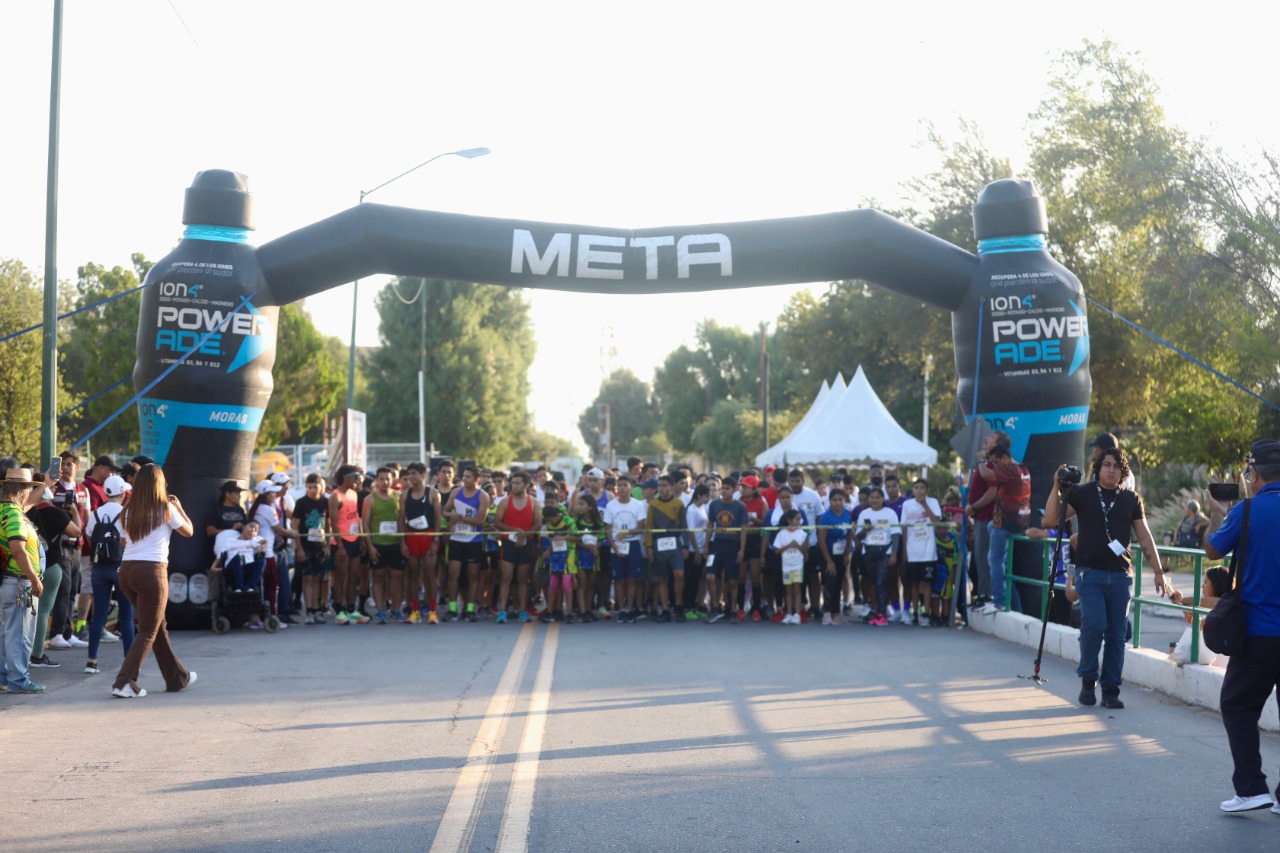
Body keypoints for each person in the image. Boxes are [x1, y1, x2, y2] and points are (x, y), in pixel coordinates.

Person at [1043, 446, 1165, 710]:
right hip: (1090, 574)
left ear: (1123, 472)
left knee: (1116, 633)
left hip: (1121, 576)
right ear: (1098, 468)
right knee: (1094, 625)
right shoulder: (1083, 493)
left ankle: (1111, 690)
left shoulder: (1131, 499)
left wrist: (1158, 571)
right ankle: (1088, 679)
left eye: (1116, 466)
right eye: (1106, 465)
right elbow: (1051, 520)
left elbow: (1144, 536)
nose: (1111, 470)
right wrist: (1057, 487)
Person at [1203, 439, 1280, 814]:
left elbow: (1213, 550)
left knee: (1237, 704)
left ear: (1253, 473)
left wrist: (1220, 513)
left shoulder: (1246, 511)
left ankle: (1252, 788)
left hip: (1259, 632)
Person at [111, 463, 196, 698]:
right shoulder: (166, 508)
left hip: (127, 571)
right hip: (153, 571)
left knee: (157, 626)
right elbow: (189, 531)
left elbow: (125, 543)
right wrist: (180, 507)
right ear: (160, 484)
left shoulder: (126, 511)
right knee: (148, 630)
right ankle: (123, 682)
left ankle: (177, 678)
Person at [27, 473, 81, 666]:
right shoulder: (55, 512)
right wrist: (73, 511)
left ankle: (22, 652)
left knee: (25, 612)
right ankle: (37, 654)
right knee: (43, 611)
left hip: (26, 565)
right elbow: (76, 532)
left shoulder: (24, 511)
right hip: (51, 563)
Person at [1, 468, 47, 693]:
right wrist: (34, 579)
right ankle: (19, 681)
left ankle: (2, 678)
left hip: (5, 582)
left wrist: (45, 483)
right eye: (28, 489)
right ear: (22, 491)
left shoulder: (5, 510)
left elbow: (30, 502)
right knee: (20, 636)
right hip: (18, 581)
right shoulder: (15, 516)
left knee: (4, 634)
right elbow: (18, 550)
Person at [83, 475, 133, 673]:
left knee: (98, 616)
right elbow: (129, 541)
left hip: (99, 568)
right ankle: (129, 663)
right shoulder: (126, 513)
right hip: (121, 567)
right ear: (123, 493)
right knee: (126, 615)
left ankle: (91, 661)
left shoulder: (95, 514)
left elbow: (89, 537)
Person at [977, 443, 1030, 615]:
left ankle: (999, 601)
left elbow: (986, 474)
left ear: (1005, 458)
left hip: (1006, 523)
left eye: (996, 461)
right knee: (990, 527)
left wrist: (981, 460)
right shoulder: (1022, 469)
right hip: (1019, 522)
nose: (995, 465)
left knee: (994, 560)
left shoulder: (1009, 469)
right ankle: (1017, 608)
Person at [362, 467, 403, 623]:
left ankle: (396, 609)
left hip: (395, 543)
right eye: (381, 479)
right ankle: (380, 610)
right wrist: (370, 546)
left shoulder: (398, 497)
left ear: (392, 480)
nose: (385, 482)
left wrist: (402, 542)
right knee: (378, 577)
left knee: (397, 577)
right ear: (376, 480)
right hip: (378, 544)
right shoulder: (370, 499)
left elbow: (401, 520)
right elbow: (365, 524)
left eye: (388, 479)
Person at [705, 477, 748, 624]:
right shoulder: (714, 504)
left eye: (727, 488)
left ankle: (733, 610)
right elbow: (710, 524)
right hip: (717, 545)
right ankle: (715, 607)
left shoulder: (740, 507)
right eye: (722, 488)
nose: (724, 491)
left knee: (732, 580)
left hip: (733, 545)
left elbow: (743, 530)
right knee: (710, 576)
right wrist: (706, 545)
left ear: (734, 489)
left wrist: (741, 549)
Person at [900, 479, 942, 626]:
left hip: (928, 551)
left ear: (927, 490)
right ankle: (915, 613)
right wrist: (905, 551)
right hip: (913, 551)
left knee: (927, 584)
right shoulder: (907, 505)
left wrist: (924, 504)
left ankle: (926, 614)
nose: (919, 491)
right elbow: (904, 528)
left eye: (922, 488)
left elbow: (937, 521)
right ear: (913, 490)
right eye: (916, 488)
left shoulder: (933, 502)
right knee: (914, 584)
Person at [292, 473, 333, 624]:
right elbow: (295, 526)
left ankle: (316, 609)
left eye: (315, 487)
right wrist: (299, 548)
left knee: (317, 578)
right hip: (306, 545)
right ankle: (308, 609)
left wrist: (328, 545)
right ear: (306, 487)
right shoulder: (301, 503)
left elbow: (328, 525)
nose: (313, 490)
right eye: (310, 487)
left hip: (320, 545)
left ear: (321, 486)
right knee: (307, 578)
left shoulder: (325, 502)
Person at [857, 487, 900, 627]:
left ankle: (882, 614)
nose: (875, 500)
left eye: (878, 497)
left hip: (885, 552)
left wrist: (894, 554)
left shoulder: (890, 513)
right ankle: (876, 611)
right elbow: (858, 535)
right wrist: (864, 530)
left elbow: (895, 535)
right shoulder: (864, 514)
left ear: (883, 499)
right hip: (869, 552)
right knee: (874, 583)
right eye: (872, 497)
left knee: (881, 582)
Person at [816, 489, 853, 626]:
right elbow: (821, 540)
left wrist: (846, 554)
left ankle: (836, 613)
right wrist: (829, 561)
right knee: (830, 583)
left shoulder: (847, 515)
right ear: (830, 502)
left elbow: (849, 535)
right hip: (828, 553)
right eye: (834, 500)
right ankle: (826, 612)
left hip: (841, 554)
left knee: (838, 583)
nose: (838, 503)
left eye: (840, 500)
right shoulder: (825, 517)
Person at [773, 509, 808, 624]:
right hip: (786, 566)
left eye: (800, 519)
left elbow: (805, 551)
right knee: (788, 590)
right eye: (797, 519)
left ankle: (797, 613)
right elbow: (777, 551)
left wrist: (797, 546)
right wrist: (788, 546)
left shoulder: (803, 533)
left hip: (798, 565)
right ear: (789, 520)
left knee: (797, 589)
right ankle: (788, 613)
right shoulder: (782, 534)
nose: (799, 521)